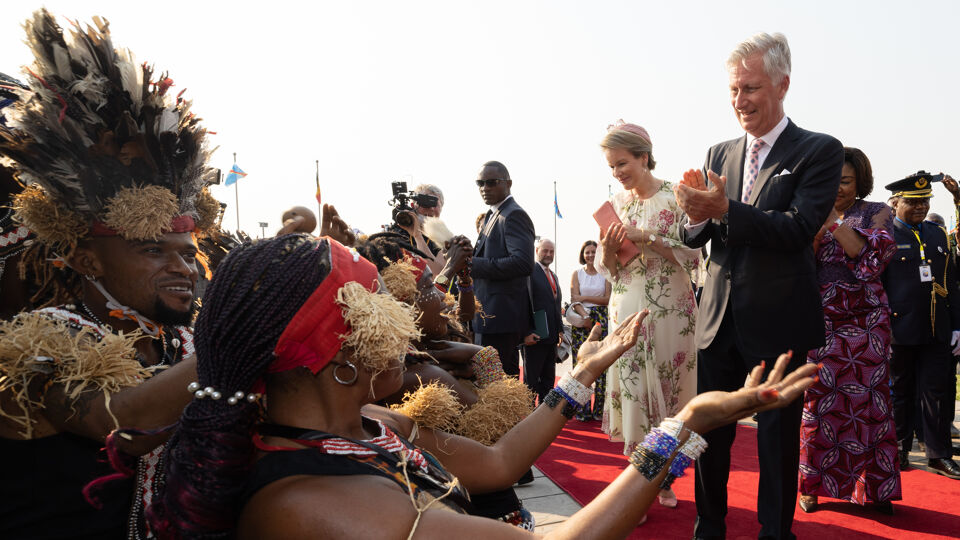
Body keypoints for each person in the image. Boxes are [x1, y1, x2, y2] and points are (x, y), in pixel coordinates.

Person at [144, 233, 819, 539]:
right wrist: (685, 426)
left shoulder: (373, 425)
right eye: (379, 305)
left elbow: (498, 463)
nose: (407, 320)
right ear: (334, 352)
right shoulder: (308, 505)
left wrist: (582, 373)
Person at [0, 10, 217, 537]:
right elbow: (118, 425)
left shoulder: (186, 341)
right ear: (87, 261)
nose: (181, 267)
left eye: (187, 252)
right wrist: (236, 342)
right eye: (152, 250)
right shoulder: (35, 346)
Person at [673, 32, 843, 539]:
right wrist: (694, 215)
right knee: (708, 434)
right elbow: (696, 234)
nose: (740, 100)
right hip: (717, 320)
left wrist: (725, 209)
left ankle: (775, 532)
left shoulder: (818, 150)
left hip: (778, 320)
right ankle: (709, 526)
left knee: (775, 440)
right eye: (733, 90)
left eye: (750, 88)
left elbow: (798, 229)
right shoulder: (718, 152)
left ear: (782, 85)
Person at [595, 120, 700, 511]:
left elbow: (695, 257)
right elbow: (611, 270)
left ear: (644, 157)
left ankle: (664, 480)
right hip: (625, 307)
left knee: (673, 396)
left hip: (672, 311)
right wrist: (609, 251)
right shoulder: (616, 204)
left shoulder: (677, 196)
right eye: (611, 166)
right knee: (634, 394)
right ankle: (638, 488)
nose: (617, 173)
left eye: (622, 163)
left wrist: (649, 238)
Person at [797, 147, 900, 514]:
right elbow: (800, 263)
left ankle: (874, 490)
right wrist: (815, 229)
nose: (837, 187)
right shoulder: (807, 210)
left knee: (870, 406)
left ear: (860, 183)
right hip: (821, 320)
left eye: (845, 181)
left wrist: (833, 224)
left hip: (867, 323)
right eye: (832, 180)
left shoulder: (877, 212)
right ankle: (811, 486)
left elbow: (872, 261)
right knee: (818, 404)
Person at [881, 171, 960, 480]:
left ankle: (939, 455)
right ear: (896, 203)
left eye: (925, 201)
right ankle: (899, 449)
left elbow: (950, 282)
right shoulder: (884, 234)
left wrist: (956, 325)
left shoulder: (936, 233)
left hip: (936, 328)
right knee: (898, 392)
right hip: (898, 328)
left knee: (937, 393)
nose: (921, 207)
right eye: (913, 202)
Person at [471, 161, 535, 377]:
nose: (484, 188)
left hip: (501, 319)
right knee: (487, 383)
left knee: (499, 385)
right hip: (487, 318)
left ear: (508, 183)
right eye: (480, 183)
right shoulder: (492, 214)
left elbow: (523, 262)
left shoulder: (513, 214)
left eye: (491, 182)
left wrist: (474, 264)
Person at [569, 240, 611, 421]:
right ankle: (581, 409)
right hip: (581, 317)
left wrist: (584, 297)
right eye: (587, 252)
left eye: (594, 252)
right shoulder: (576, 274)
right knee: (581, 364)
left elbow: (607, 299)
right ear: (582, 254)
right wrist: (585, 316)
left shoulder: (605, 274)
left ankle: (599, 410)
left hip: (601, 319)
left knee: (602, 363)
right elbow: (574, 299)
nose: (591, 255)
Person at [522, 238, 563, 403]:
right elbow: (523, 303)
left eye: (551, 251)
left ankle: (544, 414)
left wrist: (560, 330)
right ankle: (528, 415)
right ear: (537, 251)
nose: (548, 254)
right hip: (535, 337)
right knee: (531, 383)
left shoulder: (553, 276)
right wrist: (526, 332)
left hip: (551, 338)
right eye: (545, 250)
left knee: (548, 381)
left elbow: (556, 305)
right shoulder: (529, 272)